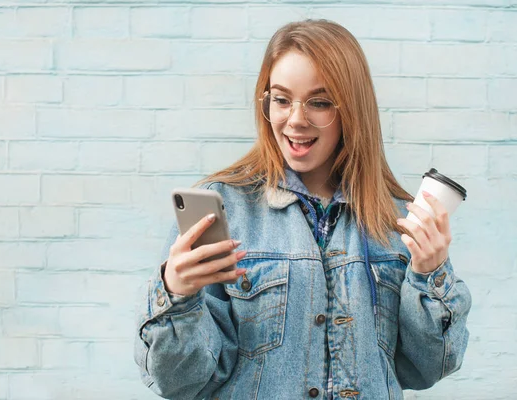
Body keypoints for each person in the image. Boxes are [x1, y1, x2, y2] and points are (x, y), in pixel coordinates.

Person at [134, 19, 471, 399]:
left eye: (320, 102)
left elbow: (426, 368)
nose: (295, 119)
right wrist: (175, 295)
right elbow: (179, 381)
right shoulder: (226, 211)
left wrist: (430, 275)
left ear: (352, 110)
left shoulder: (398, 221)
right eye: (281, 99)